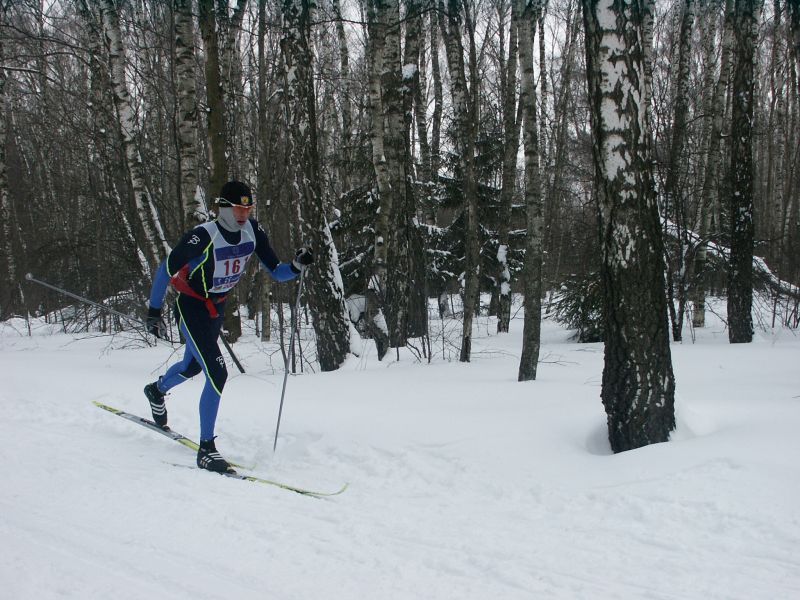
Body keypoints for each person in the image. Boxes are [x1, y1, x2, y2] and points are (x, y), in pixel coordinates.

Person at [143, 180, 313, 473]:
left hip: (215, 309)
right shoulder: (202, 236)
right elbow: (165, 268)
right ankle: (206, 449)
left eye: (248, 207)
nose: (244, 213)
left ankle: (156, 391)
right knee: (218, 371)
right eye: (238, 207)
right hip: (191, 307)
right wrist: (154, 310)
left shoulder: (253, 231)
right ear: (222, 207)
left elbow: (276, 271)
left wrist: (296, 267)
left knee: (193, 367)